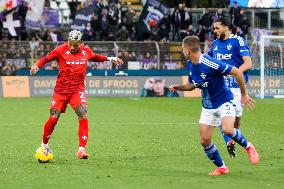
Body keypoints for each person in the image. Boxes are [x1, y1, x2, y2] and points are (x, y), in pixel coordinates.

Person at [169, 36, 259, 176]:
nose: (181, 51)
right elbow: (193, 85)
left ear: (187, 51)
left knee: (228, 130)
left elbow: (237, 72)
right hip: (207, 107)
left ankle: (248, 146)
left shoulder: (211, 63)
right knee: (204, 140)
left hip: (224, 102)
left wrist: (243, 95)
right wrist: (178, 87)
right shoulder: (190, 64)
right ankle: (222, 167)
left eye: (182, 49)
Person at [30, 30, 123, 159]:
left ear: (81, 42)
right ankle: (44, 145)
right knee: (54, 117)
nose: (73, 47)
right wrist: (36, 65)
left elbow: (95, 57)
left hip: (77, 89)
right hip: (61, 90)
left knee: (83, 113)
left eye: (75, 45)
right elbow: (46, 59)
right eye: (71, 44)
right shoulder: (60, 49)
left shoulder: (86, 51)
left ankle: (81, 149)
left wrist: (110, 58)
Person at [208, 16, 253, 158]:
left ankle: (233, 138)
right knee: (224, 115)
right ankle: (228, 141)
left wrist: (234, 72)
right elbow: (209, 62)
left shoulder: (237, 41)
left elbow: (248, 63)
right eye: (214, 28)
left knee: (236, 122)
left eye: (217, 28)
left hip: (237, 88)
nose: (214, 31)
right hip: (221, 89)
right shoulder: (214, 44)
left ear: (226, 27)